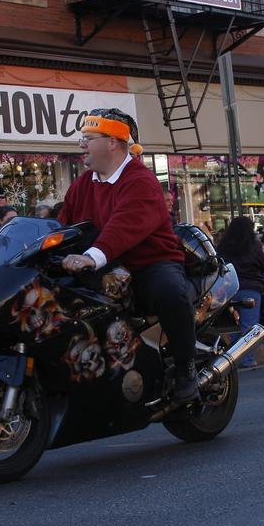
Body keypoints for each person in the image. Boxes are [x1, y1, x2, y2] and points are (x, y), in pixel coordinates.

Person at [57, 108, 199, 401]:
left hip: (148, 264)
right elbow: (62, 227)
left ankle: (187, 365)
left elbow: (123, 226)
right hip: (102, 267)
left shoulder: (140, 180)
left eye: (88, 137)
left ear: (113, 142)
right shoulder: (82, 184)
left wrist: (92, 256)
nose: (81, 144)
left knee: (169, 292)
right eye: (82, 138)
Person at [216, 216, 264, 368]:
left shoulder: (224, 246)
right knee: (249, 326)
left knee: (233, 326)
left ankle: (232, 358)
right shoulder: (254, 246)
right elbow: (263, 264)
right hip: (250, 288)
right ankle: (246, 358)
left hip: (230, 289)